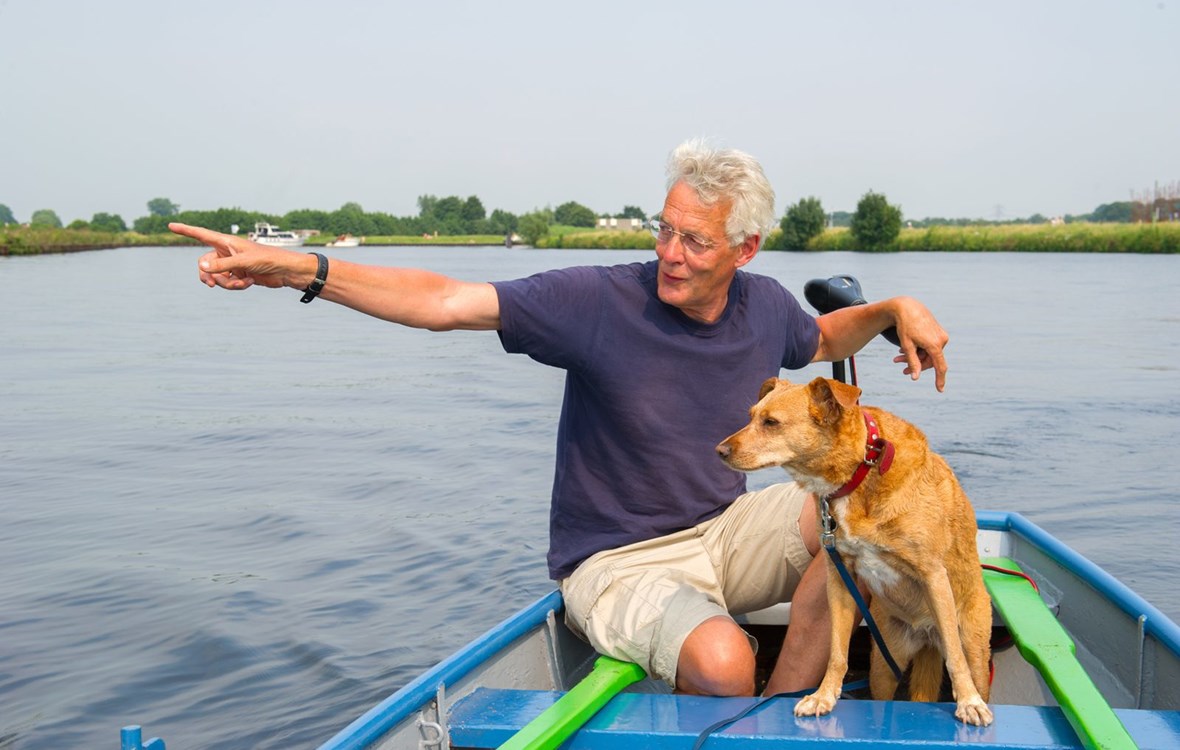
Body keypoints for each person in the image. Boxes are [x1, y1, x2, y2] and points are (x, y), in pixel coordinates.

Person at [172, 138, 949, 698]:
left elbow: (821, 339)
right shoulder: (595, 301)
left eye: (695, 241)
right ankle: (742, 697)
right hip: (617, 561)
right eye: (665, 228)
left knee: (855, 511)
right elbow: (443, 302)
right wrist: (297, 267)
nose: (670, 253)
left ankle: (778, 715)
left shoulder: (764, 306)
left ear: (744, 250)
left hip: (723, 535)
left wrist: (891, 310)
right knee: (721, 665)